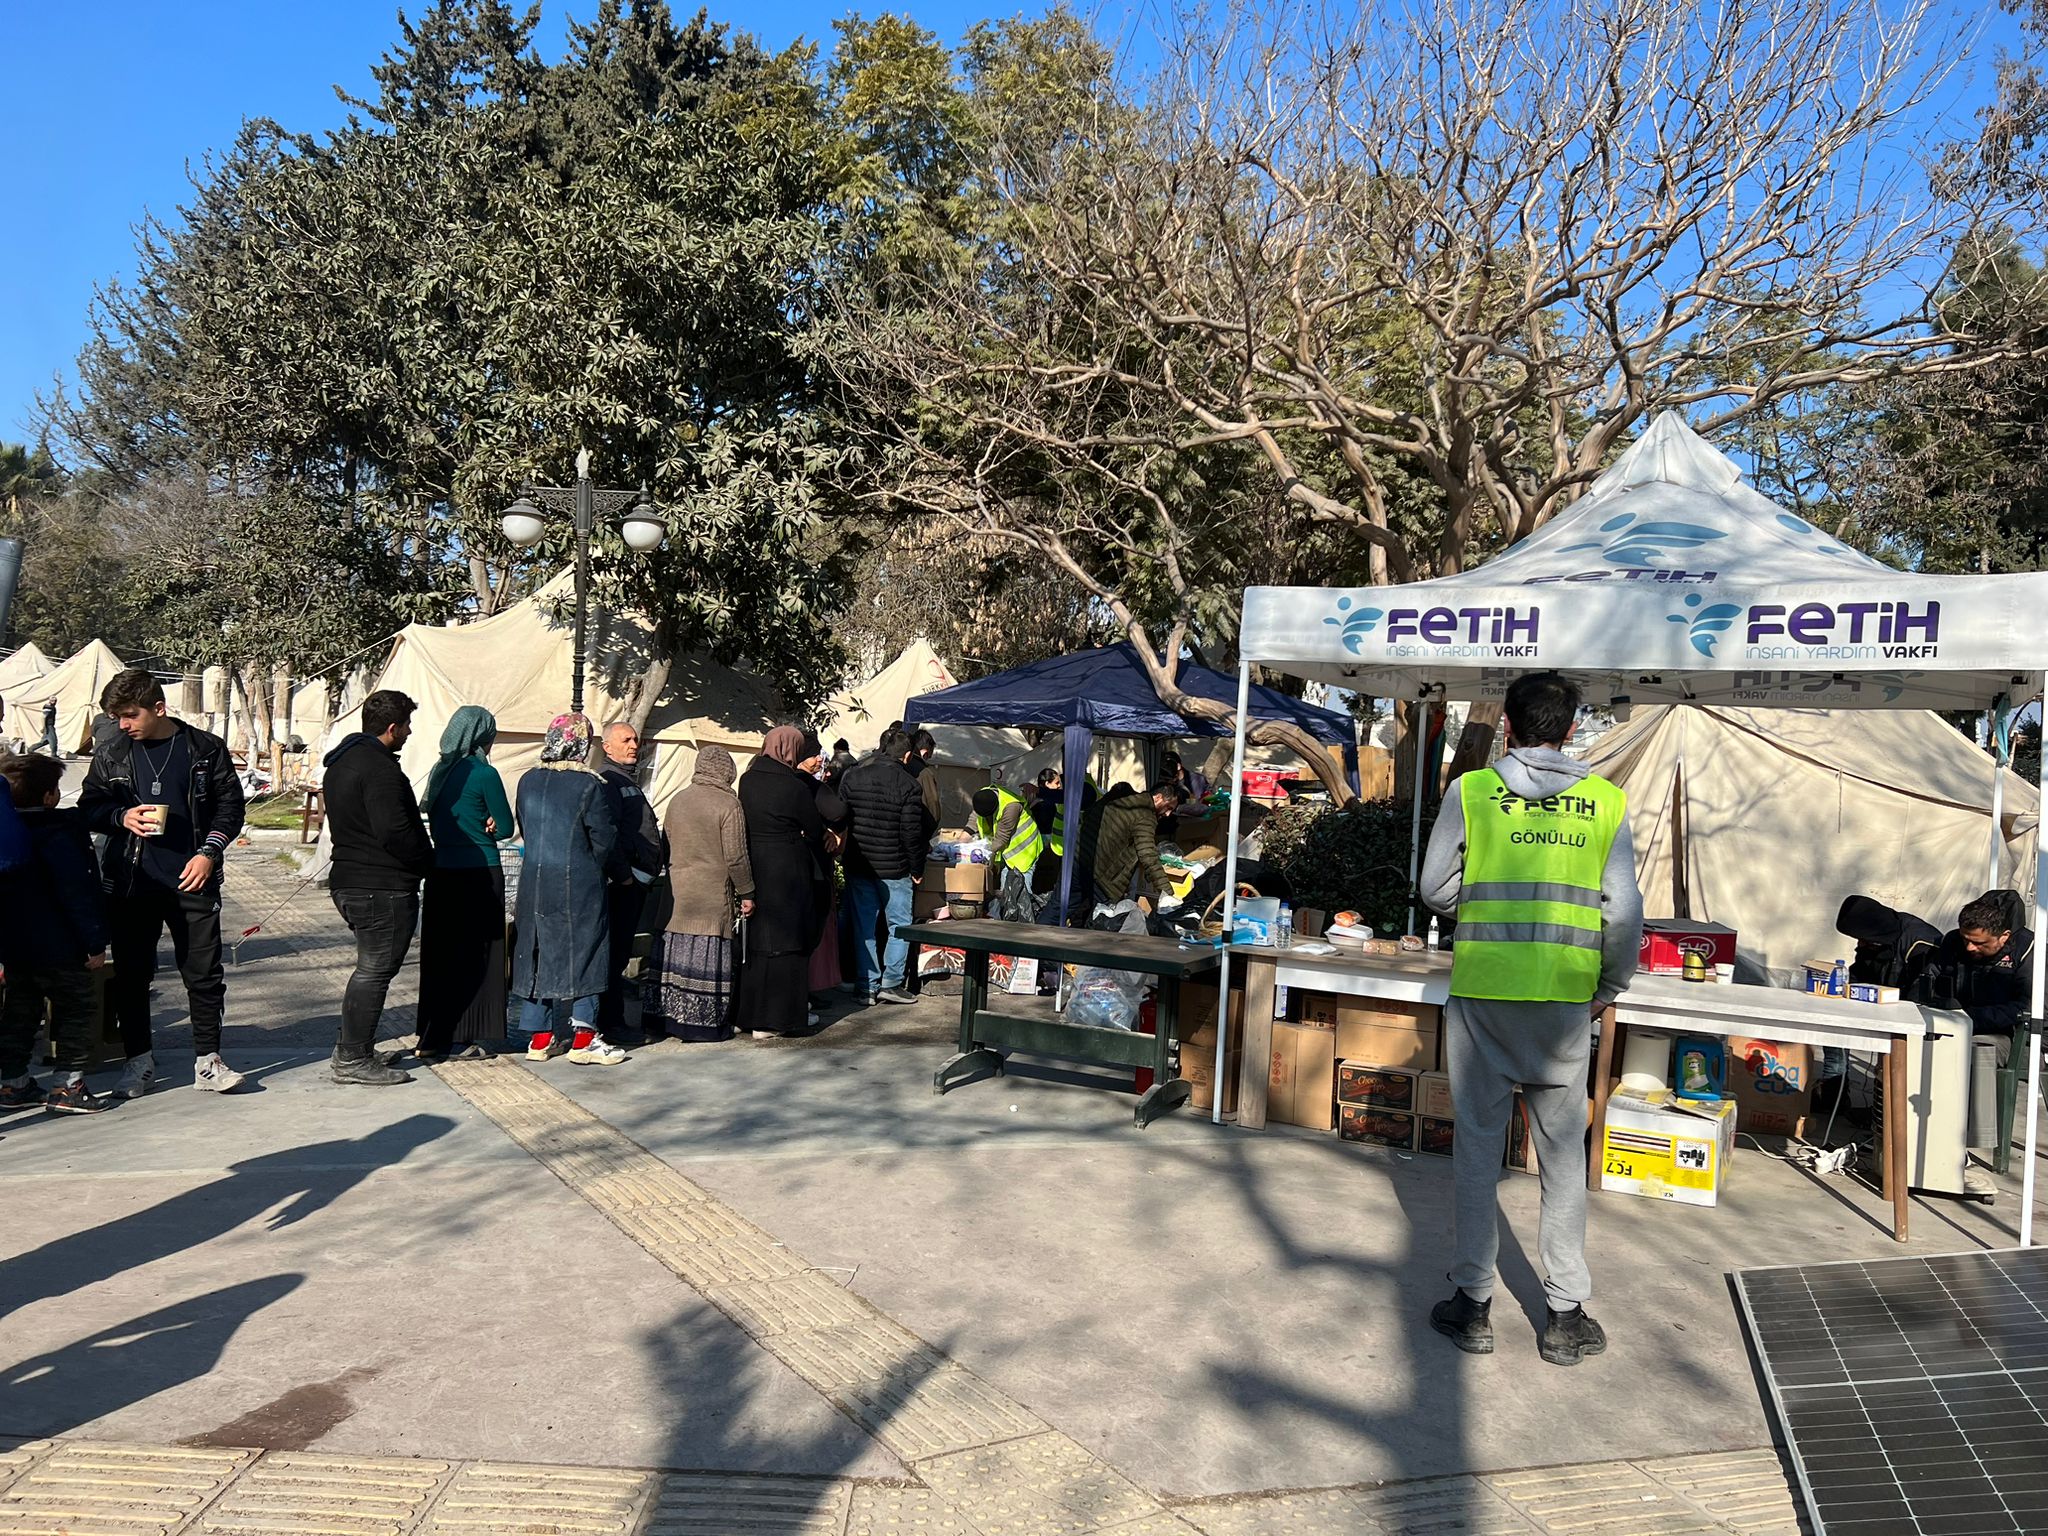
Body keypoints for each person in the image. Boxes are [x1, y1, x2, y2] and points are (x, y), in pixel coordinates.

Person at [1421, 671, 1641, 1368]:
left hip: (1484, 996)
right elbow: (1622, 913)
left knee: (1477, 1154)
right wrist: (1609, 985)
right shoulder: (1606, 801)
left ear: (1507, 727)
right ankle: (1564, 1316)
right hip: (1564, 1004)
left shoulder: (1471, 792)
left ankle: (1473, 1307)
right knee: (1562, 1160)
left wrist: (1479, 906)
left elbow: (1434, 888)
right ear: (1571, 729)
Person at [80, 667, 247, 1098]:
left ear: (159, 708)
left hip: (193, 879)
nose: (123, 725)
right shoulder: (112, 752)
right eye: (117, 717)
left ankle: (208, 1061)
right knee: (133, 976)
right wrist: (121, 816)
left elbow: (231, 807)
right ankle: (138, 1062)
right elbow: (89, 806)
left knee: (203, 973)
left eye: (130, 715)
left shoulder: (204, 748)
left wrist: (209, 852)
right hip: (131, 882)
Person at [322, 689, 434, 1086]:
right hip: (379, 885)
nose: (409, 733)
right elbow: (394, 831)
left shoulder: (343, 761)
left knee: (372, 968)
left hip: (353, 880)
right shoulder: (378, 769)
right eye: (406, 726)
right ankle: (353, 1057)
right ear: (392, 727)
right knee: (374, 971)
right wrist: (427, 862)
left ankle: (355, 1049)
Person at [0, 752, 111, 1115]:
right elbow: (77, 892)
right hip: (62, 944)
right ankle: (68, 1085)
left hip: (16, 945)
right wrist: (95, 941)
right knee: (78, 1009)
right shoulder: (60, 834)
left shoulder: (7, 835)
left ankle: (13, 1082)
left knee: (20, 1012)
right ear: (49, 796)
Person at [513, 713, 624, 1064]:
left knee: (538, 952)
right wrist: (610, 870)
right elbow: (603, 839)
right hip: (579, 883)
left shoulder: (528, 780)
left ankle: (540, 1038)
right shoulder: (588, 784)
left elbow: (525, 827)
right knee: (586, 952)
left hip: (535, 881)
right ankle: (584, 1039)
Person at [416, 705, 513, 1064]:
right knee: (478, 956)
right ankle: (468, 1035)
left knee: (441, 955)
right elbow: (505, 828)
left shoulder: (439, 772)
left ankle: (432, 1035)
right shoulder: (484, 774)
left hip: (442, 871)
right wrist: (490, 823)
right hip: (479, 870)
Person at [647, 746, 754, 1040]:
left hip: (677, 895)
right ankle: (702, 1025)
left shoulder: (677, 800)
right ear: (728, 771)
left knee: (673, 957)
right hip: (710, 896)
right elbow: (736, 856)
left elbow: (665, 845)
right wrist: (747, 891)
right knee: (705, 955)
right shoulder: (729, 805)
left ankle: (665, 1019)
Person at [736, 726, 834, 1037]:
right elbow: (814, 828)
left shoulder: (748, 779)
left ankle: (751, 1015)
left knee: (757, 942)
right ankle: (781, 1018)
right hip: (788, 868)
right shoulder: (793, 785)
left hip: (755, 862)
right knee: (789, 942)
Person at [841, 729, 931, 1004]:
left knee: (864, 927)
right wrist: (917, 868)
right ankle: (891, 983)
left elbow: (842, 819)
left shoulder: (852, 776)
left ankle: (866, 986)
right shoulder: (909, 785)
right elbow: (911, 833)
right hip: (895, 868)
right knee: (899, 926)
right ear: (907, 755)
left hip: (859, 864)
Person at [596, 721, 664, 1046]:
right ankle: (611, 1023)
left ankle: (613, 1020)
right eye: (626, 740)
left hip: (635, 880)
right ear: (607, 746)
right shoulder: (608, 780)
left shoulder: (625, 779)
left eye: (635, 739)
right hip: (623, 884)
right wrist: (625, 875)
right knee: (614, 954)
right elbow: (607, 832)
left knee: (620, 954)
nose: (634, 745)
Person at [1918, 891, 2036, 1066]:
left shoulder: (2030, 950)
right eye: (1965, 939)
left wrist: (1968, 1016)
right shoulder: (1953, 941)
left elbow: (2027, 1008)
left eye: (1979, 943)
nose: (1970, 947)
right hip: (1951, 1024)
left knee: (1972, 1052)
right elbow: (1928, 979)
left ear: (2004, 936)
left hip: (2012, 1037)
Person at [1084, 783, 1181, 909]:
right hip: (1101, 875)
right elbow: (1147, 855)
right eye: (1168, 807)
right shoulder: (1145, 814)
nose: (1168, 814)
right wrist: (1167, 893)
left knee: (1066, 907)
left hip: (1079, 858)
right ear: (1158, 797)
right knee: (1100, 915)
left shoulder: (1127, 801)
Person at [971, 783, 1045, 922]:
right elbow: (974, 818)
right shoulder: (983, 797)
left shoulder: (1011, 806)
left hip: (1024, 851)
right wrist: (964, 838)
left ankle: (1024, 925)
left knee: (1022, 893)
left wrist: (983, 852)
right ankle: (1006, 921)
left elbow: (1002, 838)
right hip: (1007, 853)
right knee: (1006, 893)